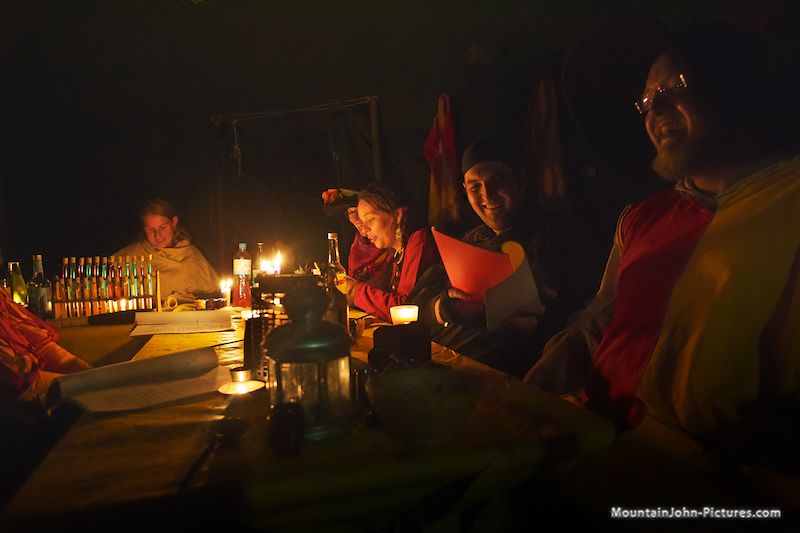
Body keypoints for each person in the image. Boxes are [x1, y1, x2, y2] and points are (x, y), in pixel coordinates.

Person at [526, 19, 800, 448]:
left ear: (730, 87)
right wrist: (567, 351)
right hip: (593, 440)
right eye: (647, 100)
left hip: (697, 471)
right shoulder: (641, 218)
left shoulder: (789, 203)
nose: (654, 111)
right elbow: (607, 313)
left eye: (675, 87)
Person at [409, 138, 594, 378]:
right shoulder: (469, 242)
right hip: (440, 368)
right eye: (475, 187)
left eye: (497, 181)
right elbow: (415, 303)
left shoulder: (556, 237)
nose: (487, 195)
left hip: (504, 377)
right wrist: (443, 307)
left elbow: (583, 309)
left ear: (521, 180)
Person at [338, 182, 439, 324]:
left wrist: (355, 291)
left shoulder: (419, 241)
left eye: (370, 219)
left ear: (397, 215)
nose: (364, 229)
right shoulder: (395, 253)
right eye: (362, 221)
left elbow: (406, 309)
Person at [115, 198, 219, 302]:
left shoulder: (192, 255)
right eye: (150, 229)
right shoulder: (132, 257)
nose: (158, 236)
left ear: (174, 222)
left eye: (163, 227)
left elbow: (213, 292)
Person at [0, 286, 89, 403]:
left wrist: (41, 339)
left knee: (91, 377)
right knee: (85, 386)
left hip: (30, 347)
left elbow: (14, 319)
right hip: (17, 375)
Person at [321, 187, 393, 288]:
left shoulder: (391, 245)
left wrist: (356, 290)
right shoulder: (358, 244)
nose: (356, 219)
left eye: (358, 211)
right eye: (350, 213)